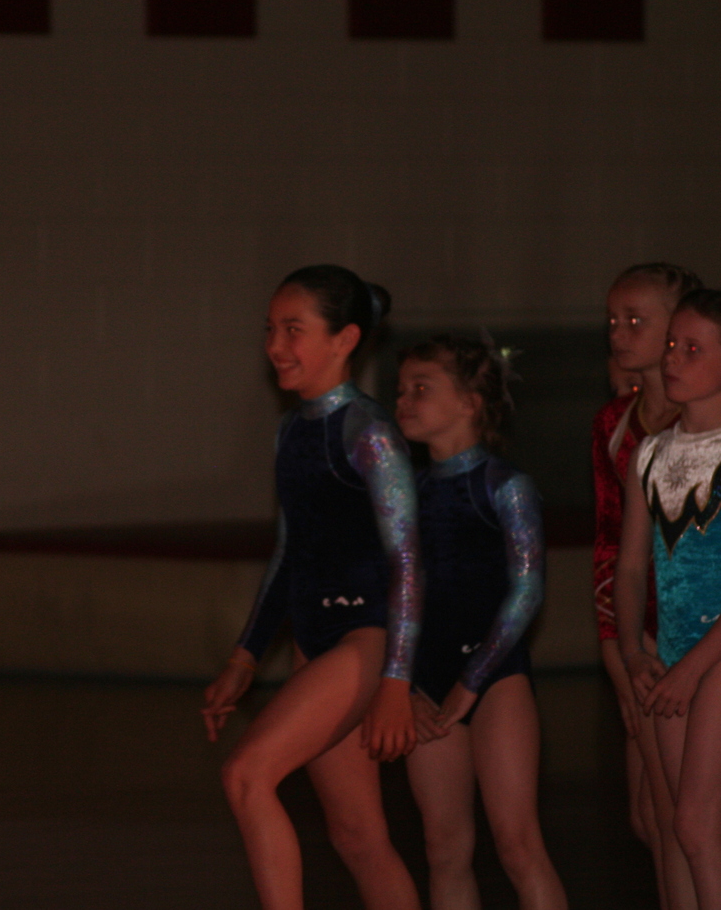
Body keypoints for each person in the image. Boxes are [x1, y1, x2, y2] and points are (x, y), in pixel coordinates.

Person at [202, 264, 422, 910]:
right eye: (270, 329)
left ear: (344, 339)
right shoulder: (293, 429)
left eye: (293, 329)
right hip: (317, 641)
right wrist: (246, 654)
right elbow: (289, 551)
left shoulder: (369, 432)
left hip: (364, 640)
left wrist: (395, 680)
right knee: (358, 836)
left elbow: (409, 561)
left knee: (246, 775)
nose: (275, 345)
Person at [615, 288, 721, 910]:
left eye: (692, 349)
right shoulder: (651, 453)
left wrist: (691, 668)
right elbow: (630, 567)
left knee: (696, 823)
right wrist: (634, 650)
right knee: (684, 830)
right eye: (671, 345)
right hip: (672, 650)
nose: (672, 358)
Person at [394, 334, 567, 910]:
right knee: (444, 848)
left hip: (493, 679)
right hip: (426, 683)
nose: (404, 401)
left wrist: (472, 681)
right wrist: (402, 684)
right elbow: (396, 595)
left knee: (518, 845)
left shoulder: (505, 486)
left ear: (469, 403)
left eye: (421, 388)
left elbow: (527, 590)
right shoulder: (403, 493)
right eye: (401, 390)